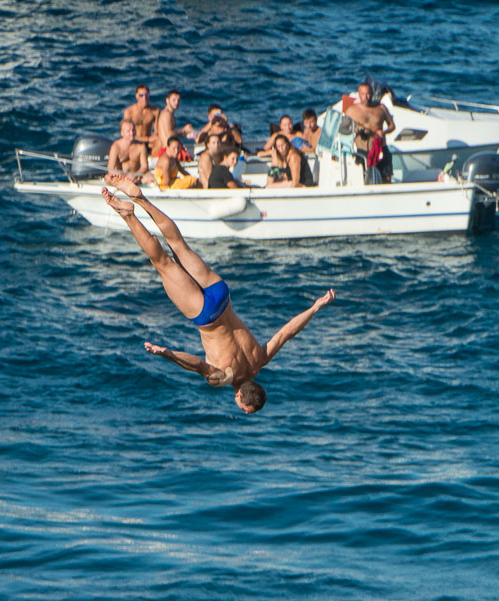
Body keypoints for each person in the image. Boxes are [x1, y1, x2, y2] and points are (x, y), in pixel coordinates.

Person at [99, 173, 335, 414]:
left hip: (222, 296)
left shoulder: (260, 359)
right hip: (206, 315)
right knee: (162, 262)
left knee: (179, 244)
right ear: (241, 396)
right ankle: (128, 214)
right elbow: (197, 365)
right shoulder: (225, 378)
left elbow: (287, 333)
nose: (240, 408)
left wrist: (315, 307)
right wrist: (167, 354)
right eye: (244, 408)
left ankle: (142, 200)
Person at [343, 82, 395, 183]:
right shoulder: (351, 111)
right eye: (363, 94)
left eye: (368, 94)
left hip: (381, 149)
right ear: (359, 95)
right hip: (363, 151)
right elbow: (342, 129)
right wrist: (355, 130)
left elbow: (392, 126)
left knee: (386, 178)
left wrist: (383, 132)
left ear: (371, 94)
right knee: (365, 179)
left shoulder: (381, 109)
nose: (366, 97)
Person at [154, 89, 195, 158]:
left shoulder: (170, 114)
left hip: (170, 148)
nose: (176, 102)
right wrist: (183, 130)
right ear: (167, 101)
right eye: (174, 100)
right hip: (167, 150)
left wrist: (183, 134)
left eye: (178, 100)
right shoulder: (166, 114)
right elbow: (169, 135)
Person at [123, 84, 159, 153]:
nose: (144, 98)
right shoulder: (129, 111)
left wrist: (152, 139)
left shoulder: (155, 111)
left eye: (146, 95)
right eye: (141, 95)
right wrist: (148, 139)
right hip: (134, 141)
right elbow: (127, 135)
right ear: (136, 96)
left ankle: (153, 160)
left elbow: (157, 131)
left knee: (160, 141)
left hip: (148, 143)